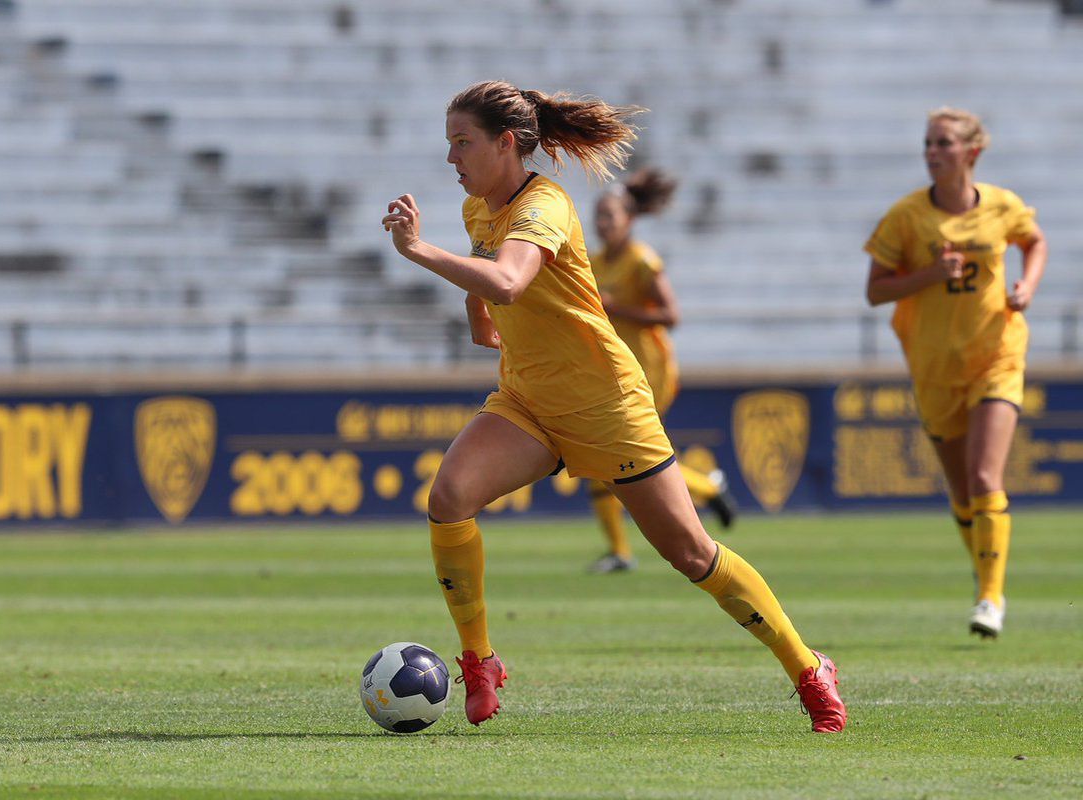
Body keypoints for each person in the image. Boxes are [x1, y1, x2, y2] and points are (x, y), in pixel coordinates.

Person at [381, 80, 845, 732]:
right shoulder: (478, 210)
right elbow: (490, 276)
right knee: (448, 498)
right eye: (448, 142)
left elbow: (511, 279)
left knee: (691, 555)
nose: (450, 157)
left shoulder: (544, 204)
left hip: (606, 405)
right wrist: (475, 313)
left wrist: (419, 253)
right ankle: (480, 659)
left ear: (507, 144)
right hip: (529, 403)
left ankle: (806, 666)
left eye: (462, 142)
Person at [864, 107, 1047, 639]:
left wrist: (1028, 287)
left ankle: (991, 597)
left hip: (997, 356)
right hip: (934, 366)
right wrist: (927, 275)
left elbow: (1034, 242)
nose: (932, 153)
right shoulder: (906, 217)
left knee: (987, 476)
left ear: (971, 151)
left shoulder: (1002, 205)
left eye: (943, 143)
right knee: (963, 489)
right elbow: (875, 290)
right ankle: (985, 570)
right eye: (927, 143)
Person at [587, 168, 737, 574]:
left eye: (610, 218)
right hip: (614, 371)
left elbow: (670, 315)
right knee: (601, 457)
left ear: (629, 221)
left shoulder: (642, 261)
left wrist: (616, 308)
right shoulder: (595, 262)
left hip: (649, 371)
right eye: (598, 217)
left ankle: (702, 491)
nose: (602, 225)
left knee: (624, 456)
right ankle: (704, 490)